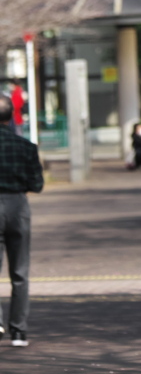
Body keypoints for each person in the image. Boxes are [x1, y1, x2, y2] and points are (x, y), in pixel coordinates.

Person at [0, 93, 44, 347]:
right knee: (20, 271)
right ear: (10, 116)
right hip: (17, 206)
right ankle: (19, 331)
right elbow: (36, 185)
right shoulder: (26, 147)